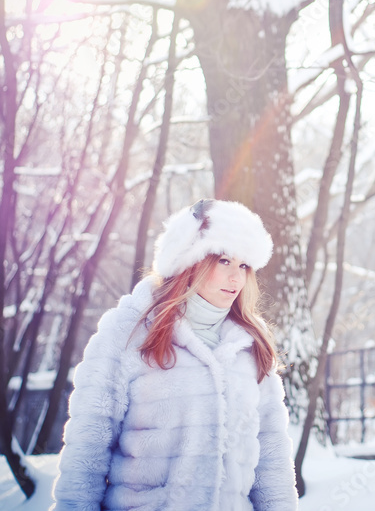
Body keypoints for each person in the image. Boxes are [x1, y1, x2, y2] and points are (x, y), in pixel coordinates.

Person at [51, 199, 298, 511]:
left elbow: (272, 462)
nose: (236, 278)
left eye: (244, 266)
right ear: (190, 261)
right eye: (223, 261)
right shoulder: (129, 331)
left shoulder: (250, 344)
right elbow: (87, 451)